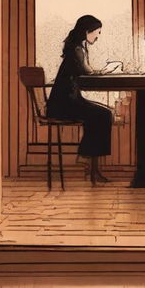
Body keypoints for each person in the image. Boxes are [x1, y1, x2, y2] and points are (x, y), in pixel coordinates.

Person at [46, 15, 113, 186]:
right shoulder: (76, 49)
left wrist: (97, 72)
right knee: (103, 115)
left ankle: (89, 162)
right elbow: (86, 73)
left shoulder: (77, 48)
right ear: (87, 31)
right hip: (64, 104)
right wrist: (100, 72)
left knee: (102, 115)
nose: (97, 37)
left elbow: (85, 71)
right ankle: (88, 161)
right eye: (96, 33)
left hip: (67, 100)